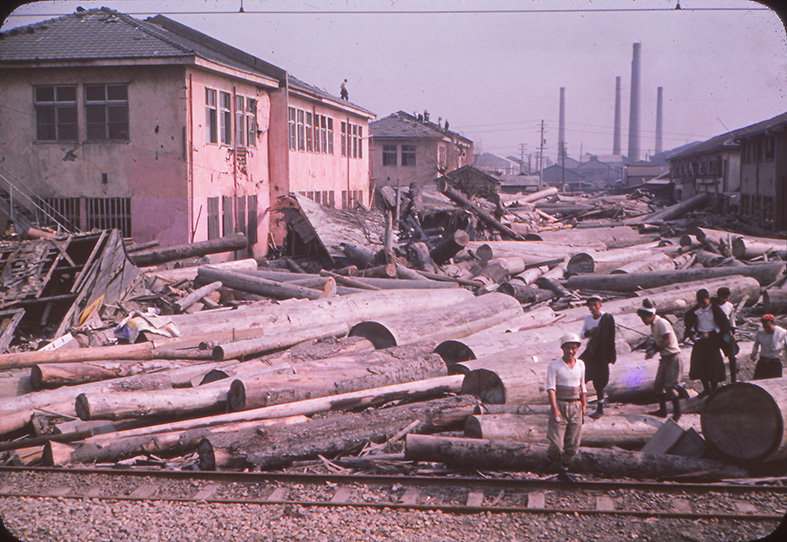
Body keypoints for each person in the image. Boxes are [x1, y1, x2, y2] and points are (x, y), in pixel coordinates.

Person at [545, 332, 587, 482]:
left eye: (574, 348)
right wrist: (555, 409)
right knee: (556, 444)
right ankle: (550, 460)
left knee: (573, 444)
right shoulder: (554, 365)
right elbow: (551, 388)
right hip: (561, 404)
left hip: (575, 405)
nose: (571, 351)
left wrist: (583, 404)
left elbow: (582, 386)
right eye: (568, 348)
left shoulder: (581, 364)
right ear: (562, 348)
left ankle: (563, 470)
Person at [637, 299, 684, 421]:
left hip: (673, 357)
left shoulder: (661, 323)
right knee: (658, 384)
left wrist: (655, 350)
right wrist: (652, 348)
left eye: (644, 318)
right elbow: (658, 341)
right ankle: (662, 411)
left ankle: (677, 412)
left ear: (650, 315)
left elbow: (667, 341)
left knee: (670, 386)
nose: (643, 321)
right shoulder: (653, 325)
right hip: (665, 357)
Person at [684, 288, 731, 396]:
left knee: (713, 366)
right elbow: (691, 324)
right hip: (700, 341)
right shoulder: (695, 311)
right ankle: (706, 388)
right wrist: (692, 334)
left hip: (713, 340)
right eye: (700, 303)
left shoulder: (716, 310)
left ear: (708, 299)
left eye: (704, 303)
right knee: (700, 365)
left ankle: (714, 388)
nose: (703, 305)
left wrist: (710, 334)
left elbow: (723, 326)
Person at [578, 296, 616, 419]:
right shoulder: (588, 319)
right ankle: (579, 405)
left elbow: (610, 337)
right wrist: (591, 332)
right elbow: (582, 335)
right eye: (590, 306)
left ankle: (600, 409)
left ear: (600, 305)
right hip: (591, 351)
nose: (593, 308)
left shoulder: (607, 318)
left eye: (595, 305)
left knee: (599, 382)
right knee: (580, 373)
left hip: (601, 353)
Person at [714, 287, 740, 382]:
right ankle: (719, 379)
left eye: (726, 297)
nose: (724, 300)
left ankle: (734, 380)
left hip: (726, 333)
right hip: (716, 333)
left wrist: (733, 332)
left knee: (732, 356)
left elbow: (731, 320)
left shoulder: (729, 306)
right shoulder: (713, 306)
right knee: (716, 357)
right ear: (718, 296)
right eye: (723, 297)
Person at [750, 314, 787, 380]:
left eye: (768, 327)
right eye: (765, 327)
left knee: (775, 382)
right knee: (759, 381)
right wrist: (753, 354)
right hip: (763, 361)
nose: (767, 329)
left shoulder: (782, 333)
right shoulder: (761, 333)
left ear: (773, 324)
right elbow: (756, 345)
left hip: (775, 361)